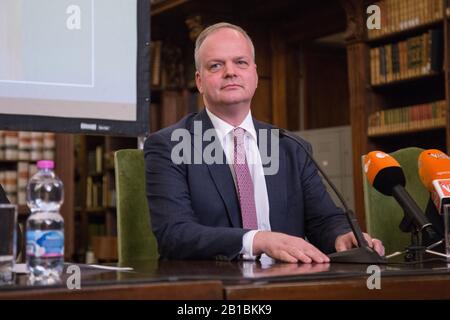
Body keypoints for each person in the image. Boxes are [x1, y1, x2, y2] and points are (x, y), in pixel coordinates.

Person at [144, 22, 384, 263]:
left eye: (241, 62)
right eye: (216, 65)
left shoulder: (290, 146)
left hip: (287, 282)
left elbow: (323, 219)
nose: (230, 72)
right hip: (215, 286)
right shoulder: (171, 145)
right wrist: (257, 240)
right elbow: (174, 234)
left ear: (255, 75)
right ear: (199, 81)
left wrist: (341, 236)